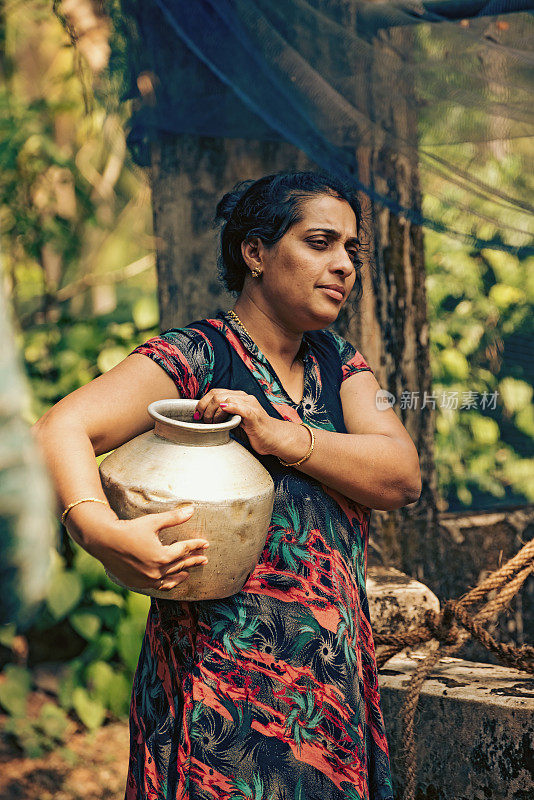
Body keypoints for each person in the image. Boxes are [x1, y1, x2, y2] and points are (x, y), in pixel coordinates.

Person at [33, 171, 421, 800]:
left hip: (329, 691)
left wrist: (287, 437)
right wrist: (101, 530)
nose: (344, 265)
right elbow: (59, 428)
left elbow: (401, 476)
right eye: (320, 242)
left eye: (352, 249)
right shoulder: (198, 356)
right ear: (256, 252)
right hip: (220, 693)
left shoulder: (340, 361)